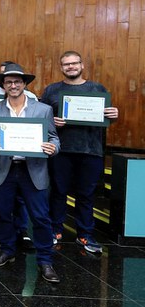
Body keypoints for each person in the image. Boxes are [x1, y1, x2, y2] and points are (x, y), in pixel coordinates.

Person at [0, 63, 61, 283]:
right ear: (3, 86)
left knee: (40, 216)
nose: (13, 85)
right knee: (2, 213)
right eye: (9, 82)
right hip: (5, 170)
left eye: (17, 81)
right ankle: (7, 249)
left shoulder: (43, 109)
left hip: (33, 170)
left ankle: (45, 260)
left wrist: (53, 148)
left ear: (25, 84)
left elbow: (54, 138)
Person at [41, 51, 119, 253]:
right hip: (61, 150)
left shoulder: (97, 89)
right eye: (66, 64)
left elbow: (106, 119)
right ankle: (55, 231)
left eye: (74, 63)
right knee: (58, 192)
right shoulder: (52, 90)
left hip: (91, 151)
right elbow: (40, 118)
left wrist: (113, 116)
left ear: (82, 65)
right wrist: (51, 121)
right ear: (61, 67)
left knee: (86, 195)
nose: (71, 67)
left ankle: (85, 235)